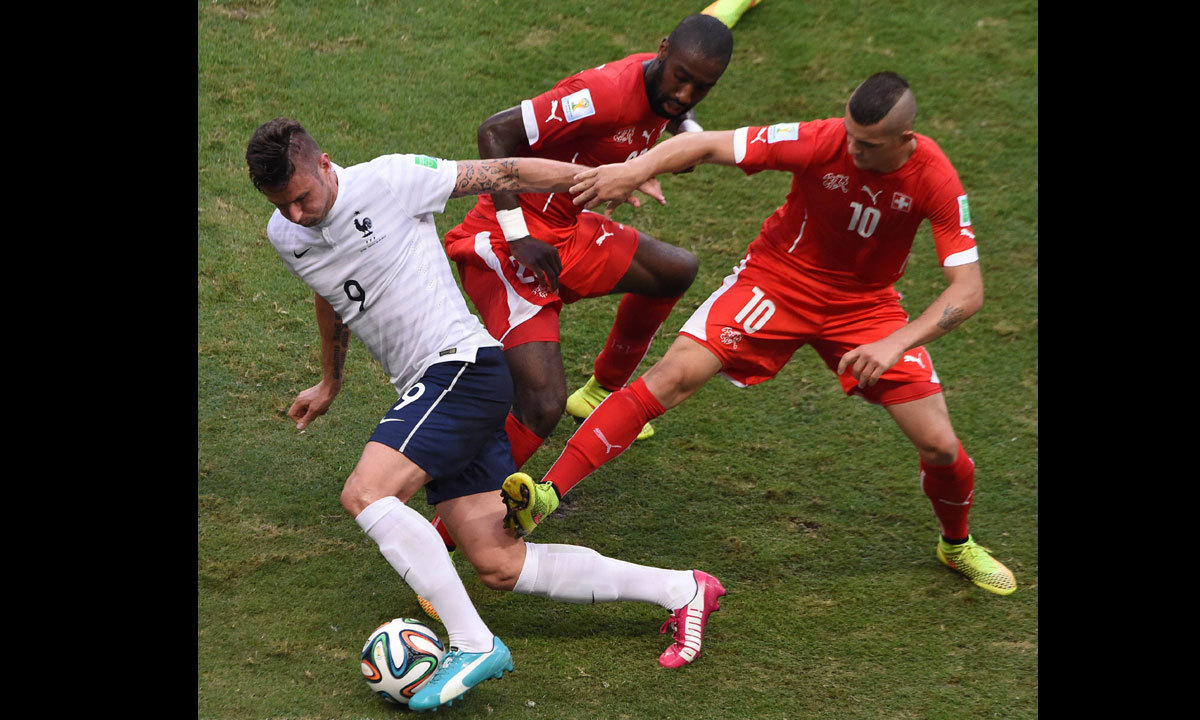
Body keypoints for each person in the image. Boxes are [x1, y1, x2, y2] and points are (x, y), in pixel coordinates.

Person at [245, 119, 727, 711]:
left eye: (302, 197)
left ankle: (474, 643)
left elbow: (507, 171)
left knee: (367, 494)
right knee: (499, 563)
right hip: (435, 383)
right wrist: (331, 379)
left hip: (460, 368)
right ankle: (683, 589)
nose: (296, 214)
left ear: (324, 164)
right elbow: (331, 290)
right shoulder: (286, 234)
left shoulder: (390, 180)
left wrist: (608, 176)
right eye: (282, 205)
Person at [505, 72, 1018, 596]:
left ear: (904, 139)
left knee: (939, 445)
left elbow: (968, 291)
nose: (852, 149)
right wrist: (634, 169)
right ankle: (546, 494)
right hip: (776, 282)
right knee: (673, 376)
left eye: (868, 145)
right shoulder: (822, 139)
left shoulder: (934, 176)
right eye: (849, 135)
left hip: (866, 310)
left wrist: (896, 342)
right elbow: (706, 144)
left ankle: (956, 544)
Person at [436, 16, 734, 543]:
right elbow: (494, 132)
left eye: (702, 87)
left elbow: (673, 117)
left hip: (567, 233)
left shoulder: (664, 93)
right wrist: (517, 233)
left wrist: (680, 139)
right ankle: (445, 533)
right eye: (682, 78)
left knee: (674, 270)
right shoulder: (603, 94)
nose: (685, 94)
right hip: (510, 244)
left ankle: (600, 393)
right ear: (663, 50)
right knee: (541, 404)